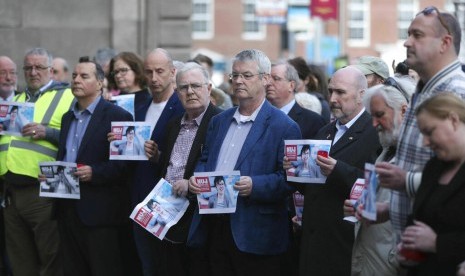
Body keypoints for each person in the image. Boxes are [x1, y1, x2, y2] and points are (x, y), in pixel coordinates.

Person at [187, 49, 301, 276]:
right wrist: (196, 179)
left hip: (256, 233)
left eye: (247, 75)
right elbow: (205, 159)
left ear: (265, 79)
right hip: (214, 226)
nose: (239, 81)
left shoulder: (284, 126)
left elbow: (289, 179)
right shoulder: (219, 121)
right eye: (235, 75)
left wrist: (255, 186)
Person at [376, 7, 465, 245]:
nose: (406, 42)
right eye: (408, 34)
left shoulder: (456, 92)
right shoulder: (424, 88)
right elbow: (425, 164)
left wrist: (406, 181)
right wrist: (389, 208)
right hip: (413, 248)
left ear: (445, 43)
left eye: (417, 35)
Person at [295, 66, 381, 275]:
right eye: (331, 91)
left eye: (341, 92)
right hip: (313, 244)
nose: (333, 98)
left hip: (345, 245)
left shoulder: (374, 133)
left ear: (362, 94)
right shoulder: (324, 131)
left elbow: (377, 187)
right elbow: (311, 187)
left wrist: (338, 169)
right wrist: (296, 171)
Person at [55, 56, 133, 276]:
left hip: (100, 212)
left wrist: (94, 172)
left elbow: (125, 166)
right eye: (74, 76)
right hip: (67, 210)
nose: (76, 80)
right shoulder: (66, 118)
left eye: (83, 76)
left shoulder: (119, 116)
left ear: (100, 83)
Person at [0, 47, 74, 276]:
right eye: (28, 68)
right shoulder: (16, 99)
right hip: (11, 193)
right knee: (20, 261)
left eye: (39, 67)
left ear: (51, 70)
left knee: (51, 257)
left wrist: (48, 133)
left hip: (45, 190)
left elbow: (83, 136)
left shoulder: (68, 95)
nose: (33, 72)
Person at [143, 61, 222, 276]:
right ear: (177, 93)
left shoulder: (221, 122)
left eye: (196, 86)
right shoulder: (173, 124)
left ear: (209, 88)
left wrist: (193, 183)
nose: (190, 92)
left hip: (199, 215)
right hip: (167, 213)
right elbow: (171, 164)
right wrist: (157, 157)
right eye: (184, 88)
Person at [343, 76, 415, 276]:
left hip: (393, 264)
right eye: (371, 116)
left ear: (403, 110)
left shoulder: (418, 154)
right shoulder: (386, 150)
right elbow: (375, 206)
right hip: (372, 261)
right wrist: (360, 207)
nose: (374, 124)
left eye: (379, 115)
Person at [396, 93, 465, 275]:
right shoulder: (434, 167)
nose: (426, 142)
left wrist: (437, 243)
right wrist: (409, 251)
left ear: (453, 120)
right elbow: (418, 219)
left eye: (430, 132)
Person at [130, 48, 185, 276]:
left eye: (160, 71)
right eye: (149, 72)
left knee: (168, 265)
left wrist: (159, 157)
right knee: (146, 265)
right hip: (139, 197)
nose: (154, 78)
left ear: (173, 72)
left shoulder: (182, 107)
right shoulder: (138, 105)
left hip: (169, 201)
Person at [266, 61, 325, 139]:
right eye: (267, 79)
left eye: (276, 79)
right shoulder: (259, 116)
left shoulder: (313, 121)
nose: (269, 83)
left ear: (291, 85)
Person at [288, 57, 329, 123]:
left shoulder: (321, 103)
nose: (290, 82)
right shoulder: (282, 100)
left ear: (306, 80)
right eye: (287, 77)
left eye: (295, 77)